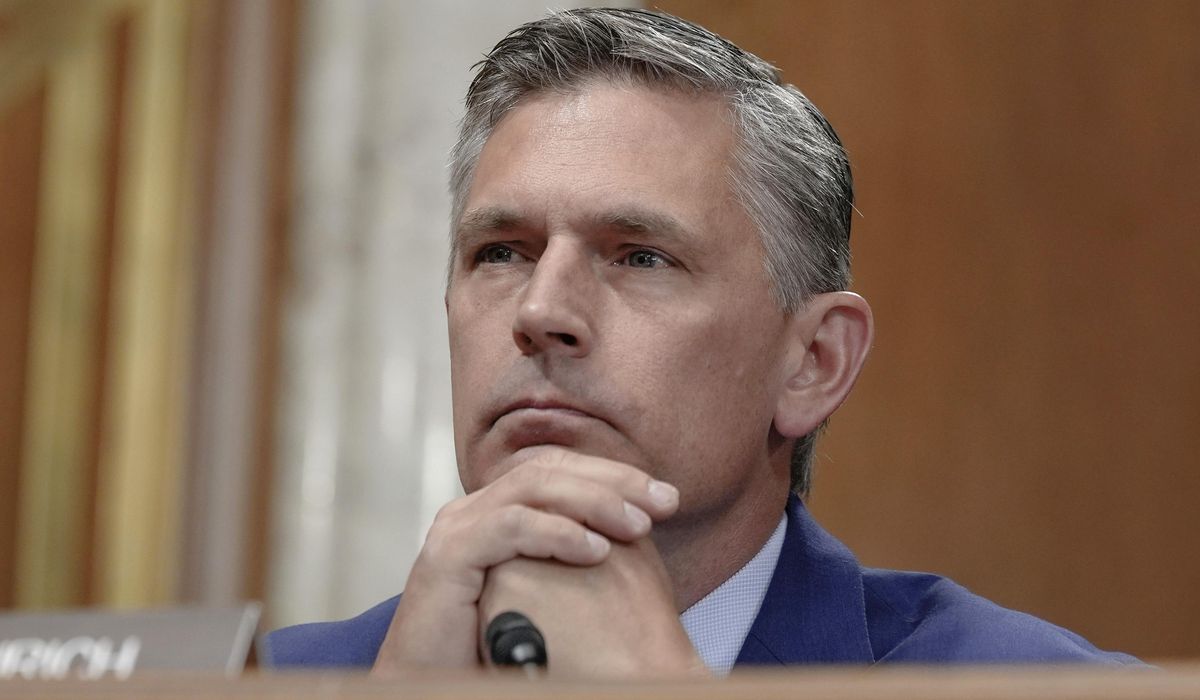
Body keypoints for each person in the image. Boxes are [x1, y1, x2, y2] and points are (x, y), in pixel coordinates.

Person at [263, 8, 1138, 675]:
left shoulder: (1033, 686)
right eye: (502, 252)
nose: (541, 310)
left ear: (813, 363)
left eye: (640, 256)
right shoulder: (276, 683)